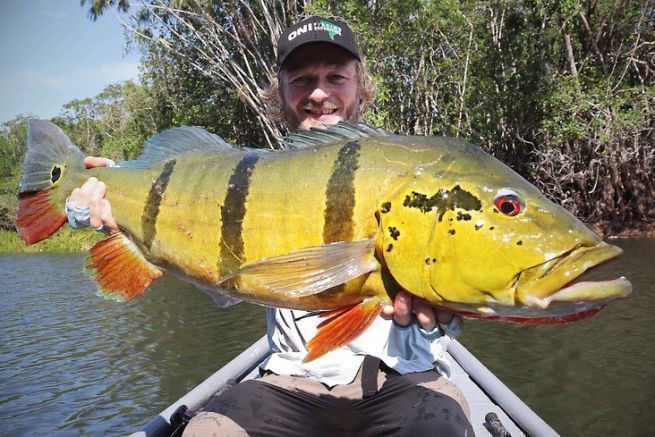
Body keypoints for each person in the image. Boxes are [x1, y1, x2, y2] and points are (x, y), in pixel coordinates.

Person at [67, 16, 474, 436]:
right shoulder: (249, 176)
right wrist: (111, 202)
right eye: (301, 80)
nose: (319, 93)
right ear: (279, 92)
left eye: (336, 76)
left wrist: (456, 302)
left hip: (406, 377)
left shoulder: (414, 171)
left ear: (360, 84)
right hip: (289, 381)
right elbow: (222, 282)